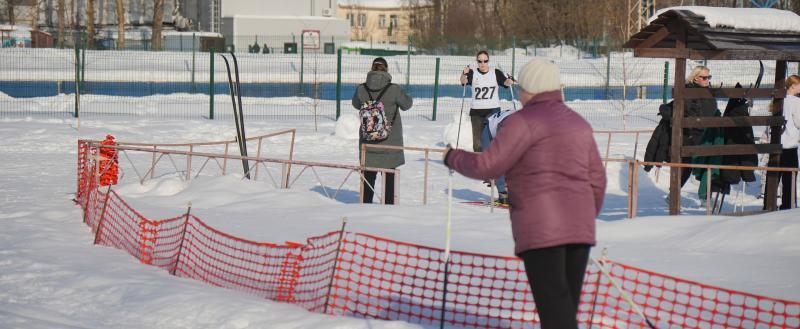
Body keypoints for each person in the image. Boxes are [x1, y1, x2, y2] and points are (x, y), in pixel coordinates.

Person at [443, 58, 606, 329]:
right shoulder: (579, 124)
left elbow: (488, 165)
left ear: (529, 88)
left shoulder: (522, 122)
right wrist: (585, 218)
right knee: (564, 310)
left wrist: (453, 157)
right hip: (580, 231)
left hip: (541, 231)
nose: (518, 93)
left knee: (555, 312)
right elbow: (597, 180)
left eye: (521, 87)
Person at [352, 57, 413, 204]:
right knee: (389, 180)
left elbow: (355, 104)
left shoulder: (361, 88)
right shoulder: (394, 89)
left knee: (368, 180)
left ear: (372, 69)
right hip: (389, 144)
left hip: (368, 142)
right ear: (386, 69)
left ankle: (365, 207)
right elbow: (407, 104)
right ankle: (387, 210)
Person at [459, 50, 514, 152]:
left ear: (488, 61)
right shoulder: (472, 73)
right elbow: (463, 81)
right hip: (476, 111)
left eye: (485, 61)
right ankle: (480, 164)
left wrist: (509, 81)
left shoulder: (495, 72)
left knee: (489, 139)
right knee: (477, 144)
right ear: (477, 61)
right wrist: (464, 73)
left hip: (493, 110)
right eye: (480, 61)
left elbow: (505, 82)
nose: (482, 63)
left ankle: (493, 163)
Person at [680, 65, 721, 188]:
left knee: (710, 164)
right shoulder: (689, 92)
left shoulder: (709, 92)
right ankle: (673, 193)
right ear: (695, 78)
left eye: (709, 77)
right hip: (693, 136)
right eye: (704, 77)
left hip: (709, 133)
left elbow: (713, 111)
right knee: (686, 166)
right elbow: (689, 113)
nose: (707, 80)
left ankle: (705, 196)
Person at [773, 75, 800, 209]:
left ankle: (769, 204)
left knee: (774, 177)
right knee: (790, 178)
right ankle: (788, 206)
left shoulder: (779, 100)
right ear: (793, 86)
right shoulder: (796, 101)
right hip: (789, 144)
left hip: (776, 143)